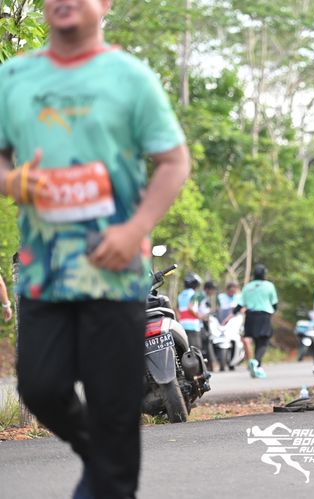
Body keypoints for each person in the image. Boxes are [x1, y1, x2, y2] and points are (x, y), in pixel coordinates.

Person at [0, 1, 190, 496]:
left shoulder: (130, 77)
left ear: (105, 4)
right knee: (41, 387)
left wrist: (135, 229)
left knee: (112, 402)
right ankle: (105, 455)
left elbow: (173, 161)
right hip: (44, 267)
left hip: (116, 268)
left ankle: (108, 466)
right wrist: (13, 180)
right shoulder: (14, 77)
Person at [236, 264, 278, 379]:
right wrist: (272, 311)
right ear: (264, 274)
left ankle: (258, 368)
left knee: (256, 340)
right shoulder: (269, 286)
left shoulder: (248, 286)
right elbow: (274, 304)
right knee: (263, 341)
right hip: (264, 316)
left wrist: (233, 313)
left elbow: (240, 304)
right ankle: (256, 361)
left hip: (250, 316)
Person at [177, 272, 204, 352]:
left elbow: (177, 310)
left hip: (183, 326)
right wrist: (200, 316)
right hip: (193, 326)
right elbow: (190, 307)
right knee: (196, 350)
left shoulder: (180, 295)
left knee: (186, 350)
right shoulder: (193, 294)